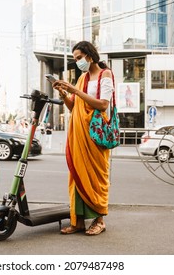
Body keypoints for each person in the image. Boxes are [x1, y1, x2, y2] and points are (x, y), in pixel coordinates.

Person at [52, 41, 113, 236]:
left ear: (89, 55)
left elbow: (103, 105)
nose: (77, 62)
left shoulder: (105, 75)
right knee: (77, 176)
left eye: (79, 58)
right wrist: (64, 95)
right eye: (75, 59)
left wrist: (75, 91)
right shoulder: (81, 79)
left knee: (95, 178)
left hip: (95, 135)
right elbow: (74, 108)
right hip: (79, 134)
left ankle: (99, 220)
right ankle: (77, 222)